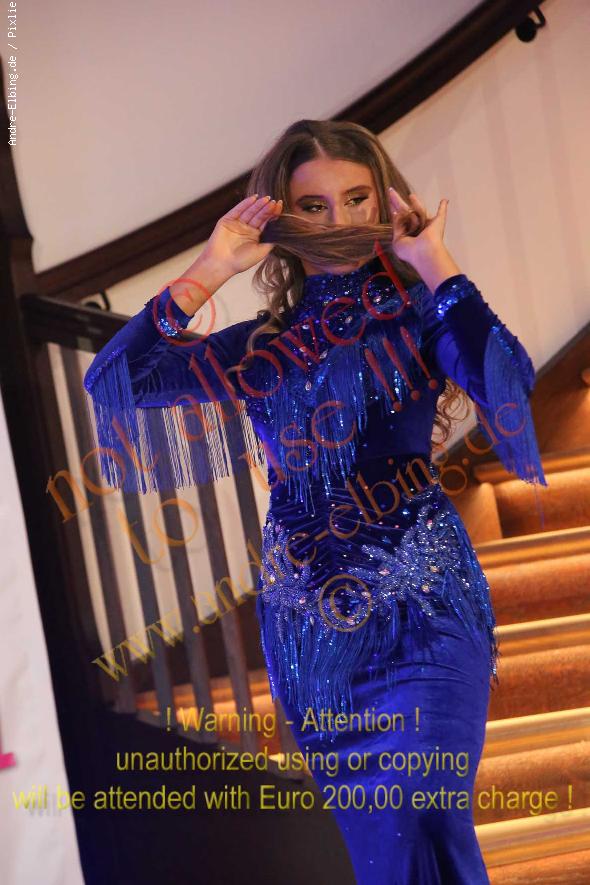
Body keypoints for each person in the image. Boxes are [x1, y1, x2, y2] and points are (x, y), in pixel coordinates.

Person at [83, 119, 547, 884]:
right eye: (314, 205)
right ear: (283, 217)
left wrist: (433, 261)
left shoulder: (421, 316)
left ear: (384, 201)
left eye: (357, 198)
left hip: (425, 607)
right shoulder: (258, 347)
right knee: (383, 846)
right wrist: (213, 264)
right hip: (314, 635)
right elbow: (115, 382)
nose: (340, 220)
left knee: (425, 812)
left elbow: (509, 383)